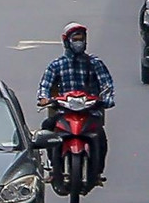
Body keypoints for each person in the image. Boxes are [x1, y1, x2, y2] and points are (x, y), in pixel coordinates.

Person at [36, 24, 115, 184]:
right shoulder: (56, 65)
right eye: (75, 40)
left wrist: (107, 99)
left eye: (81, 39)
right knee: (47, 131)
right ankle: (53, 168)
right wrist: (43, 98)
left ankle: (97, 172)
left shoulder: (94, 63)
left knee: (101, 138)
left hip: (89, 112)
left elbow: (107, 84)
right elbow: (45, 85)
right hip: (63, 113)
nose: (79, 43)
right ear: (67, 41)